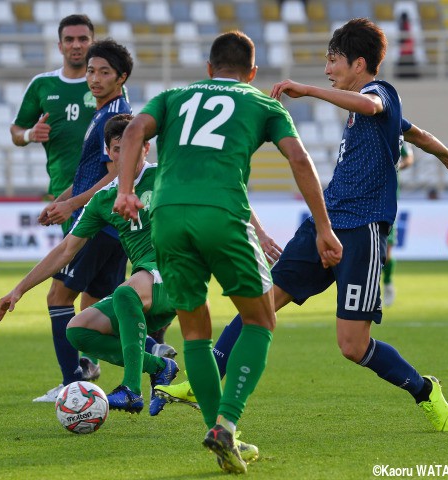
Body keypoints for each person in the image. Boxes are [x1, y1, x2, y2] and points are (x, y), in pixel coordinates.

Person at [157, 19, 448, 435]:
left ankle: (424, 390)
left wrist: (308, 90)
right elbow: (415, 133)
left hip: (362, 229)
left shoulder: (379, 94)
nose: (328, 69)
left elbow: (371, 106)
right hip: (325, 222)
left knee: (352, 346)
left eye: (333, 60)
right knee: (262, 302)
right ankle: (208, 377)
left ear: (359, 63)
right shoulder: (371, 107)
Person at [113, 31, 342, 474]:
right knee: (260, 319)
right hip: (222, 214)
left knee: (195, 329)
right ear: (252, 73)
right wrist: (324, 228)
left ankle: (220, 433)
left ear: (208, 68)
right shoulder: (263, 103)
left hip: (168, 217)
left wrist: (125, 189)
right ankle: (227, 422)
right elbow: (299, 160)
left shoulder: (174, 96)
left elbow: (136, 128)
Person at [0, 114, 180, 416]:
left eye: (131, 146)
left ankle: (132, 390)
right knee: (77, 330)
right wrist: (18, 290)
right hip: (148, 282)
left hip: (176, 274)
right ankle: (159, 366)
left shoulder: (166, 176)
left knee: (124, 293)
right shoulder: (104, 198)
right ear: (109, 153)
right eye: (117, 148)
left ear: (146, 148)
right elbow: (66, 250)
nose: (124, 154)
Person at [23, 38, 136, 403]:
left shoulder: (115, 118)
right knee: (101, 303)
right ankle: (153, 349)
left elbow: (116, 174)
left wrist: (74, 204)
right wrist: (63, 199)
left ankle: (72, 383)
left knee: (59, 296)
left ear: (122, 77)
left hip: (98, 224)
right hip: (107, 223)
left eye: (104, 72)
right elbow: (93, 172)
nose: (95, 78)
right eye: (91, 71)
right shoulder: (105, 112)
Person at [10, 15, 106, 395]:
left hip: (87, 197)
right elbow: (16, 131)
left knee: (65, 291)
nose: (77, 45)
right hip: (66, 198)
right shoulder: (43, 85)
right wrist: (31, 134)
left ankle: (75, 380)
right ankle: (91, 360)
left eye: (83, 38)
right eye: (70, 39)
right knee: (93, 284)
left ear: (92, 42)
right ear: (60, 44)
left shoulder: (103, 86)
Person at [383, 142, 415, 307]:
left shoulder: (397, 132)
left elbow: (409, 158)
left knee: (386, 254)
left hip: (388, 203)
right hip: (365, 201)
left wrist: (399, 165)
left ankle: (387, 284)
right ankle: (370, 292)